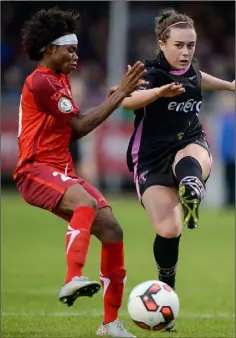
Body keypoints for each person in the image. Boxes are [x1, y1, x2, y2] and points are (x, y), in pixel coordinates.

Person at [13, 7, 182, 337]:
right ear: (49, 49)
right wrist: (120, 95)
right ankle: (72, 278)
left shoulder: (58, 79)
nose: (76, 56)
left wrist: (114, 99)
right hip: (35, 170)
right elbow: (81, 124)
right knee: (85, 205)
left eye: (77, 49)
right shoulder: (41, 81)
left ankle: (110, 325)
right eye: (70, 50)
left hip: (61, 169)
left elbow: (72, 131)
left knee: (112, 231)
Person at [122, 8, 235, 329]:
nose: (186, 52)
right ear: (162, 43)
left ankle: (191, 186)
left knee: (192, 155)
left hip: (189, 143)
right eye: (179, 45)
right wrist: (158, 92)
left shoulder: (191, 69)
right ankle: (166, 288)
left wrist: (229, 85)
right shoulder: (152, 72)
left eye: (191, 45)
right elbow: (125, 100)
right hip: (150, 158)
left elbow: (198, 79)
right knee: (169, 231)